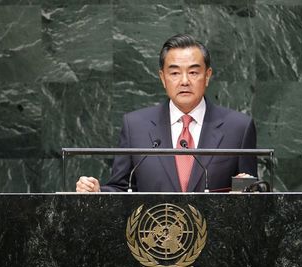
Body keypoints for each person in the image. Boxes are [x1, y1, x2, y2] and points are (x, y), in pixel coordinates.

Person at [76, 33, 257, 193]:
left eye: (193, 72)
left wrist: (245, 192)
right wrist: (98, 192)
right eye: (175, 73)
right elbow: (122, 188)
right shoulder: (135, 126)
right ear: (163, 78)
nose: (184, 81)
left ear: (207, 75)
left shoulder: (238, 128)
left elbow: (252, 192)